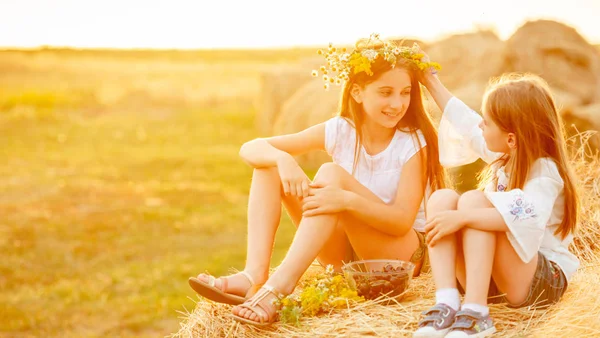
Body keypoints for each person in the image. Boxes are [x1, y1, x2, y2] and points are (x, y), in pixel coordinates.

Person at [188, 34, 446, 326]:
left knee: (330, 174)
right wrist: (282, 159)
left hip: (402, 257)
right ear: (358, 93)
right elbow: (251, 148)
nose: (397, 103)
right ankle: (253, 276)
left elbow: (401, 220)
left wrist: (346, 200)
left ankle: (278, 288)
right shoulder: (341, 130)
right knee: (267, 166)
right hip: (345, 259)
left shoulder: (413, 142)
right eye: (385, 92)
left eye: (405, 92)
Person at [413, 46, 580, 337]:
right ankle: (447, 301)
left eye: (487, 121)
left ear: (512, 138)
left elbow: (526, 219)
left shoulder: (545, 172)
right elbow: (464, 121)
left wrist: (464, 219)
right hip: (495, 276)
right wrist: (429, 79)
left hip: (538, 282)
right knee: (443, 198)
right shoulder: (505, 156)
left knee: (474, 202)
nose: (480, 124)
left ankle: (477, 312)